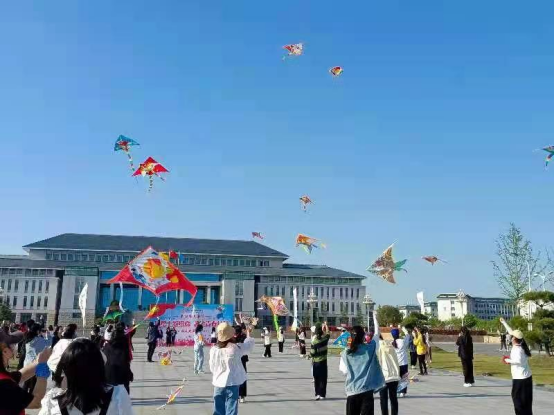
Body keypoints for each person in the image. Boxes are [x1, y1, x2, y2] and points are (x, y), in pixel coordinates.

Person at [40, 338, 133, 415]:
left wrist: (41, 366)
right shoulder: (118, 396)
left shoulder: (52, 402)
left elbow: (36, 399)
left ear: (66, 372)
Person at [209, 322, 255, 416]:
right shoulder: (235, 348)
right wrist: (248, 333)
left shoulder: (214, 350)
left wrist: (218, 374)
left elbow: (212, 367)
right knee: (231, 410)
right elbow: (249, 346)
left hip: (218, 382)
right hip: (232, 382)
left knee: (218, 410)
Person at [339, 326, 385, 416]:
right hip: (366, 391)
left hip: (352, 391)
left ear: (351, 337)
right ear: (363, 336)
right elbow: (376, 335)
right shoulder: (369, 349)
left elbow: (344, 371)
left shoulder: (346, 353)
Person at [0, 341, 52, 415]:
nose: (14, 347)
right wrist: (42, 375)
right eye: (12, 345)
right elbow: (35, 403)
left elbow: (23, 374)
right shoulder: (4, 385)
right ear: (5, 352)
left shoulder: (3, 377)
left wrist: (40, 360)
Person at [500, 318, 533, 416]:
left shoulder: (517, 349)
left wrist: (507, 360)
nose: (510, 337)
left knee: (518, 400)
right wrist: (503, 322)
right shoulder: (522, 345)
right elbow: (511, 331)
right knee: (526, 401)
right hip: (526, 377)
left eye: (512, 336)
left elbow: (518, 361)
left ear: (514, 339)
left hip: (520, 379)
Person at [374, 316, 400, 416]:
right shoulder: (394, 347)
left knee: (383, 399)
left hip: (384, 377)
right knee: (394, 398)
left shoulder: (381, 346)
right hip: (394, 376)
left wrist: (376, 319)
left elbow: (377, 333)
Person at [103, 323, 134, 394]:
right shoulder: (123, 347)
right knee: (123, 393)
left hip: (108, 376)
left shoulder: (106, 346)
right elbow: (125, 363)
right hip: (120, 376)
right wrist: (129, 374)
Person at [22, 324, 51, 394]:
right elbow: (49, 343)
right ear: (38, 331)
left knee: (26, 383)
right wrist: (48, 335)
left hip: (27, 364)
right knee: (33, 384)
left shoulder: (27, 339)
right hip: (35, 365)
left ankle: (22, 397)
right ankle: (30, 398)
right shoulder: (39, 340)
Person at [310, 323, 331, 401]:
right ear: (322, 332)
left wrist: (309, 356)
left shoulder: (314, 341)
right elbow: (328, 333)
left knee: (317, 378)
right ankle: (322, 394)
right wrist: (326, 325)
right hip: (324, 362)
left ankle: (317, 393)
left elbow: (312, 353)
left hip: (316, 362)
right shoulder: (325, 339)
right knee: (323, 378)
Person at [391, 327, 410, 398]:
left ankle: (397, 391)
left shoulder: (392, 343)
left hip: (396, 363)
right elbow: (408, 337)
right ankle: (403, 392)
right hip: (404, 362)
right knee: (404, 378)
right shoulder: (402, 341)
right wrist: (404, 330)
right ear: (398, 334)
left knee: (397, 378)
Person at [234, 324, 249, 404]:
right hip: (236, 359)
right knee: (238, 377)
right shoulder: (233, 338)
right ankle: (239, 395)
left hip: (240, 359)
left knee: (241, 377)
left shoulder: (242, 337)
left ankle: (241, 395)